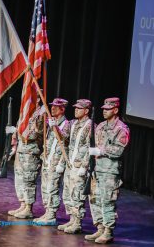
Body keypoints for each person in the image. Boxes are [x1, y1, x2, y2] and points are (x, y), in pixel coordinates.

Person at [85, 97, 130, 244]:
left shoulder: (121, 129)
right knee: (95, 200)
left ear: (115, 110)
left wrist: (100, 150)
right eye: (103, 109)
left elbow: (118, 151)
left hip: (110, 171)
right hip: (97, 169)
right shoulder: (100, 126)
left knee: (107, 201)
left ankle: (108, 231)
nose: (104, 111)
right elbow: (93, 145)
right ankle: (99, 228)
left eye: (108, 109)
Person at [6, 91, 44, 218]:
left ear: (38, 99)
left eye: (32, 97)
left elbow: (34, 134)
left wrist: (16, 130)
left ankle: (28, 208)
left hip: (31, 151)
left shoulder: (41, 113)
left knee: (28, 180)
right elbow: (18, 130)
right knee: (19, 178)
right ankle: (22, 205)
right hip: (21, 150)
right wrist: (13, 146)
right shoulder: (26, 111)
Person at [58, 99, 93, 234]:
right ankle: (72, 219)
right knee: (68, 193)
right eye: (75, 107)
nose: (76, 110)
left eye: (79, 108)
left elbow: (90, 147)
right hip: (70, 164)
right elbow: (64, 139)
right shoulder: (72, 123)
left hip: (79, 166)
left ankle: (77, 222)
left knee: (77, 194)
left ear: (86, 111)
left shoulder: (90, 125)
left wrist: (85, 166)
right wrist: (55, 127)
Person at [33, 98, 70, 225]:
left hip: (56, 161)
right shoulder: (51, 122)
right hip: (47, 159)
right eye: (52, 106)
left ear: (62, 109)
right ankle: (47, 211)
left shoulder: (66, 124)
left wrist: (61, 163)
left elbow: (65, 140)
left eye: (55, 107)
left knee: (52, 188)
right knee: (45, 187)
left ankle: (51, 215)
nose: (52, 108)